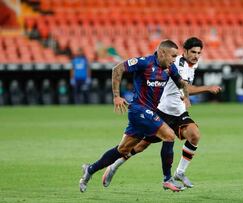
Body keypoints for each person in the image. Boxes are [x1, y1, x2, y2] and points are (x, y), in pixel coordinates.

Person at [102, 37, 221, 190]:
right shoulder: (175, 63)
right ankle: (114, 165)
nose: (196, 55)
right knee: (140, 146)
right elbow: (185, 87)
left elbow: (183, 88)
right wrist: (207, 88)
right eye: (193, 52)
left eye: (199, 52)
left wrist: (184, 98)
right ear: (184, 51)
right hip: (163, 110)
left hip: (178, 112)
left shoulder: (193, 64)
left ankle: (179, 173)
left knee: (195, 135)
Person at [79, 39, 190, 193]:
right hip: (138, 110)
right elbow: (117, 69)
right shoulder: (144, 62)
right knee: (169, 135)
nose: (174, 59)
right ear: (162, 53)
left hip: (149, 112)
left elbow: (180, 83)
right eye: (172, 56)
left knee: (122, 149)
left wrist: (185, 95)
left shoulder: (169, 69)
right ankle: (167, 179)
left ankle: (89, 170)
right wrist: (116, 96)